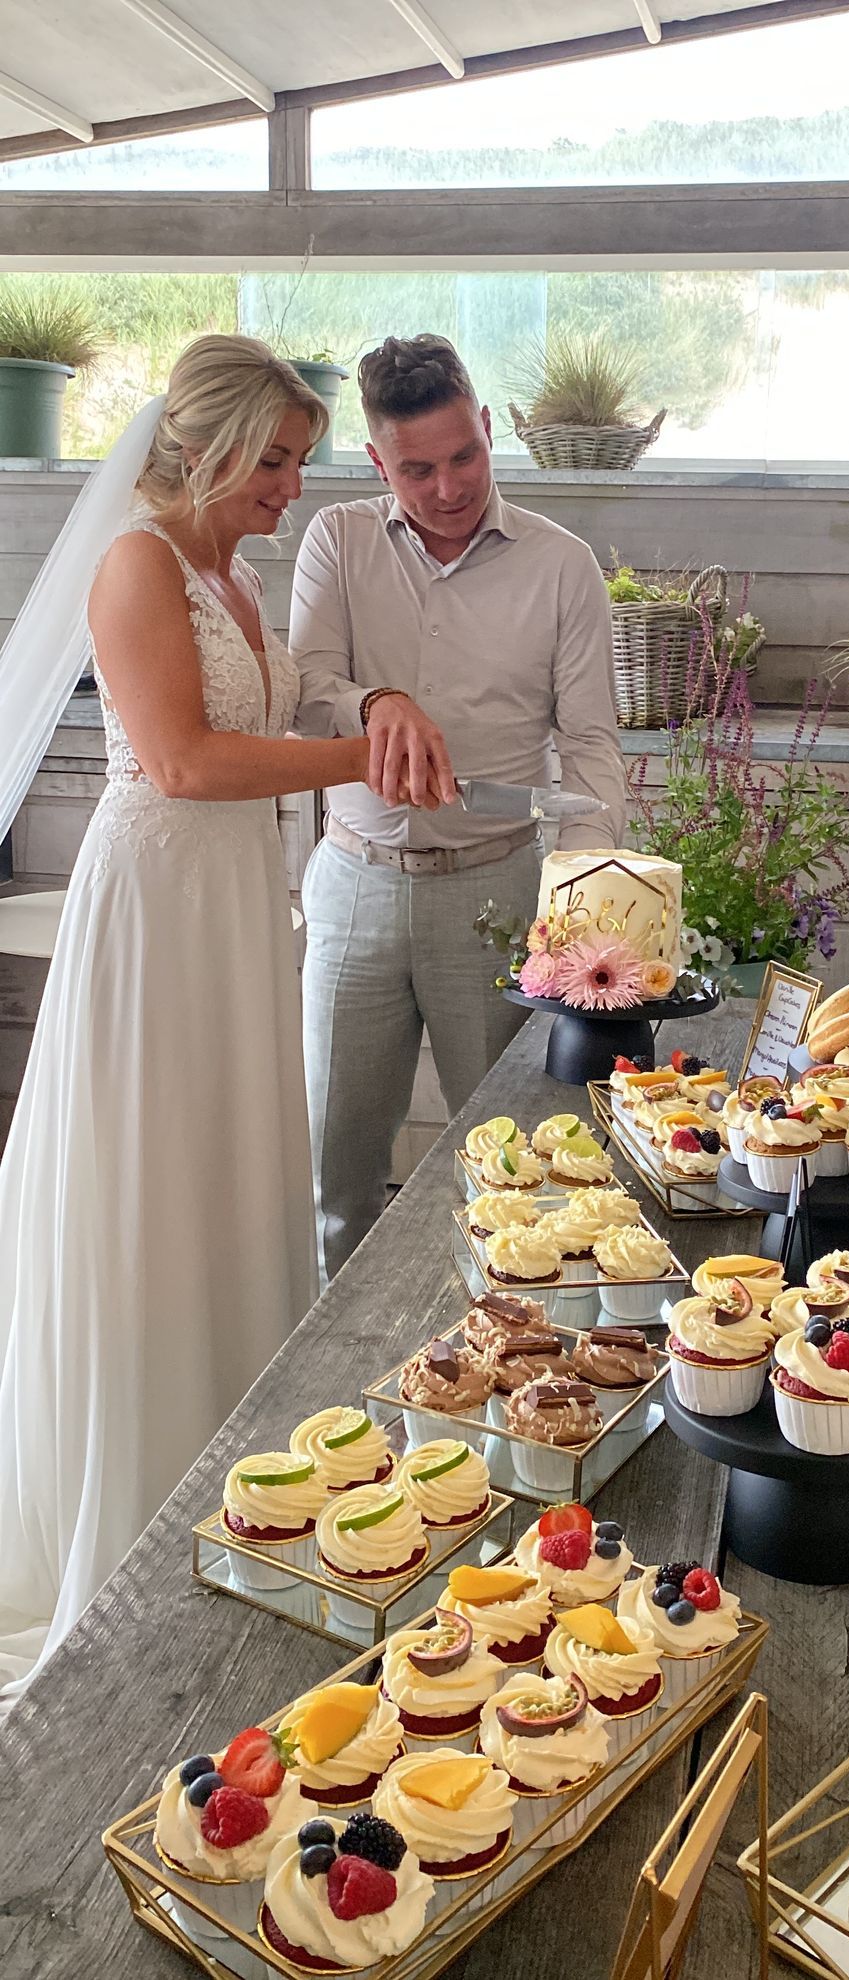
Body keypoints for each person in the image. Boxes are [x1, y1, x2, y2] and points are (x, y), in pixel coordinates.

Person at [0, 335, 379, 1693]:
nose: (291, 486)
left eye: (298, 460)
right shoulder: (137, 564)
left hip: (233, 905)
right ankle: (127, 1499)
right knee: (153, 1173)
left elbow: (265, 725)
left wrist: (364, 715)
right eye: (273, 460)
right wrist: (359, 758)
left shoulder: (240, 576)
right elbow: (180, 758)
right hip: (157, 906)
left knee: (230, 1166)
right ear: (206, 446)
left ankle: (242, 1478)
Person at [290, 333, 626, 1281]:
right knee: (335, 1176)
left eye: (465, 456)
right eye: (417, 470)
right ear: (376, 462)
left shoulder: (562, 566)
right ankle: (338, 1366)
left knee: (515, 1176)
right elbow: (306, 691)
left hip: (497, 896)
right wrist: (375, 703)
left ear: (485, 426)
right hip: (352, 886)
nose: (448, 488)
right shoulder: (337, 541)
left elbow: (592, 746)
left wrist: (586, 902)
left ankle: (504, 1350)